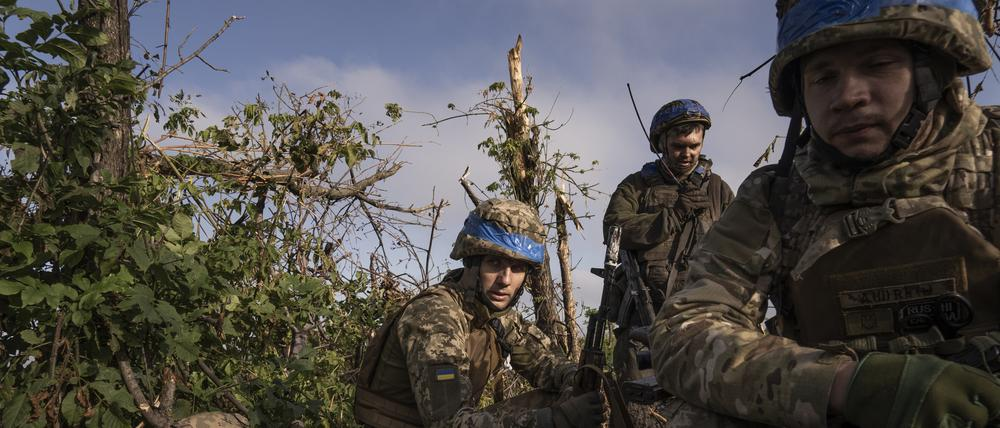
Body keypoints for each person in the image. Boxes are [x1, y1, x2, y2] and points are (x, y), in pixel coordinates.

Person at [650, 0, 1000, 427]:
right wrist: (840, 384)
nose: (848, 97)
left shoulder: (992, 156)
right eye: (824, 78)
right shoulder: (775, 195)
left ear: (930, 71)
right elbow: (683, 331)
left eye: (878, 65)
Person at [354, 199, 608, 427]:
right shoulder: (435, 316)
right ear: (472, 262)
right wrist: (554, 420)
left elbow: (546, 362)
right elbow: (451, 423)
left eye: (517, 268)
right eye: (494, 263)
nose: (505, 280)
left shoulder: (491, 314)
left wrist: (576, 380)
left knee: (564, 398)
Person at [603, 98, 733, 381]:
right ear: (661, 143)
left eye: (694, 146)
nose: (687, 154)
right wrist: (672, 215)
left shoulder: (719, 190)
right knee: (638, 399)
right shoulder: (635, 186)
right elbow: (613, 230)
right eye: (678, 146)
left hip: (705, 320)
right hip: (643, 319)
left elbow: (741, 247)